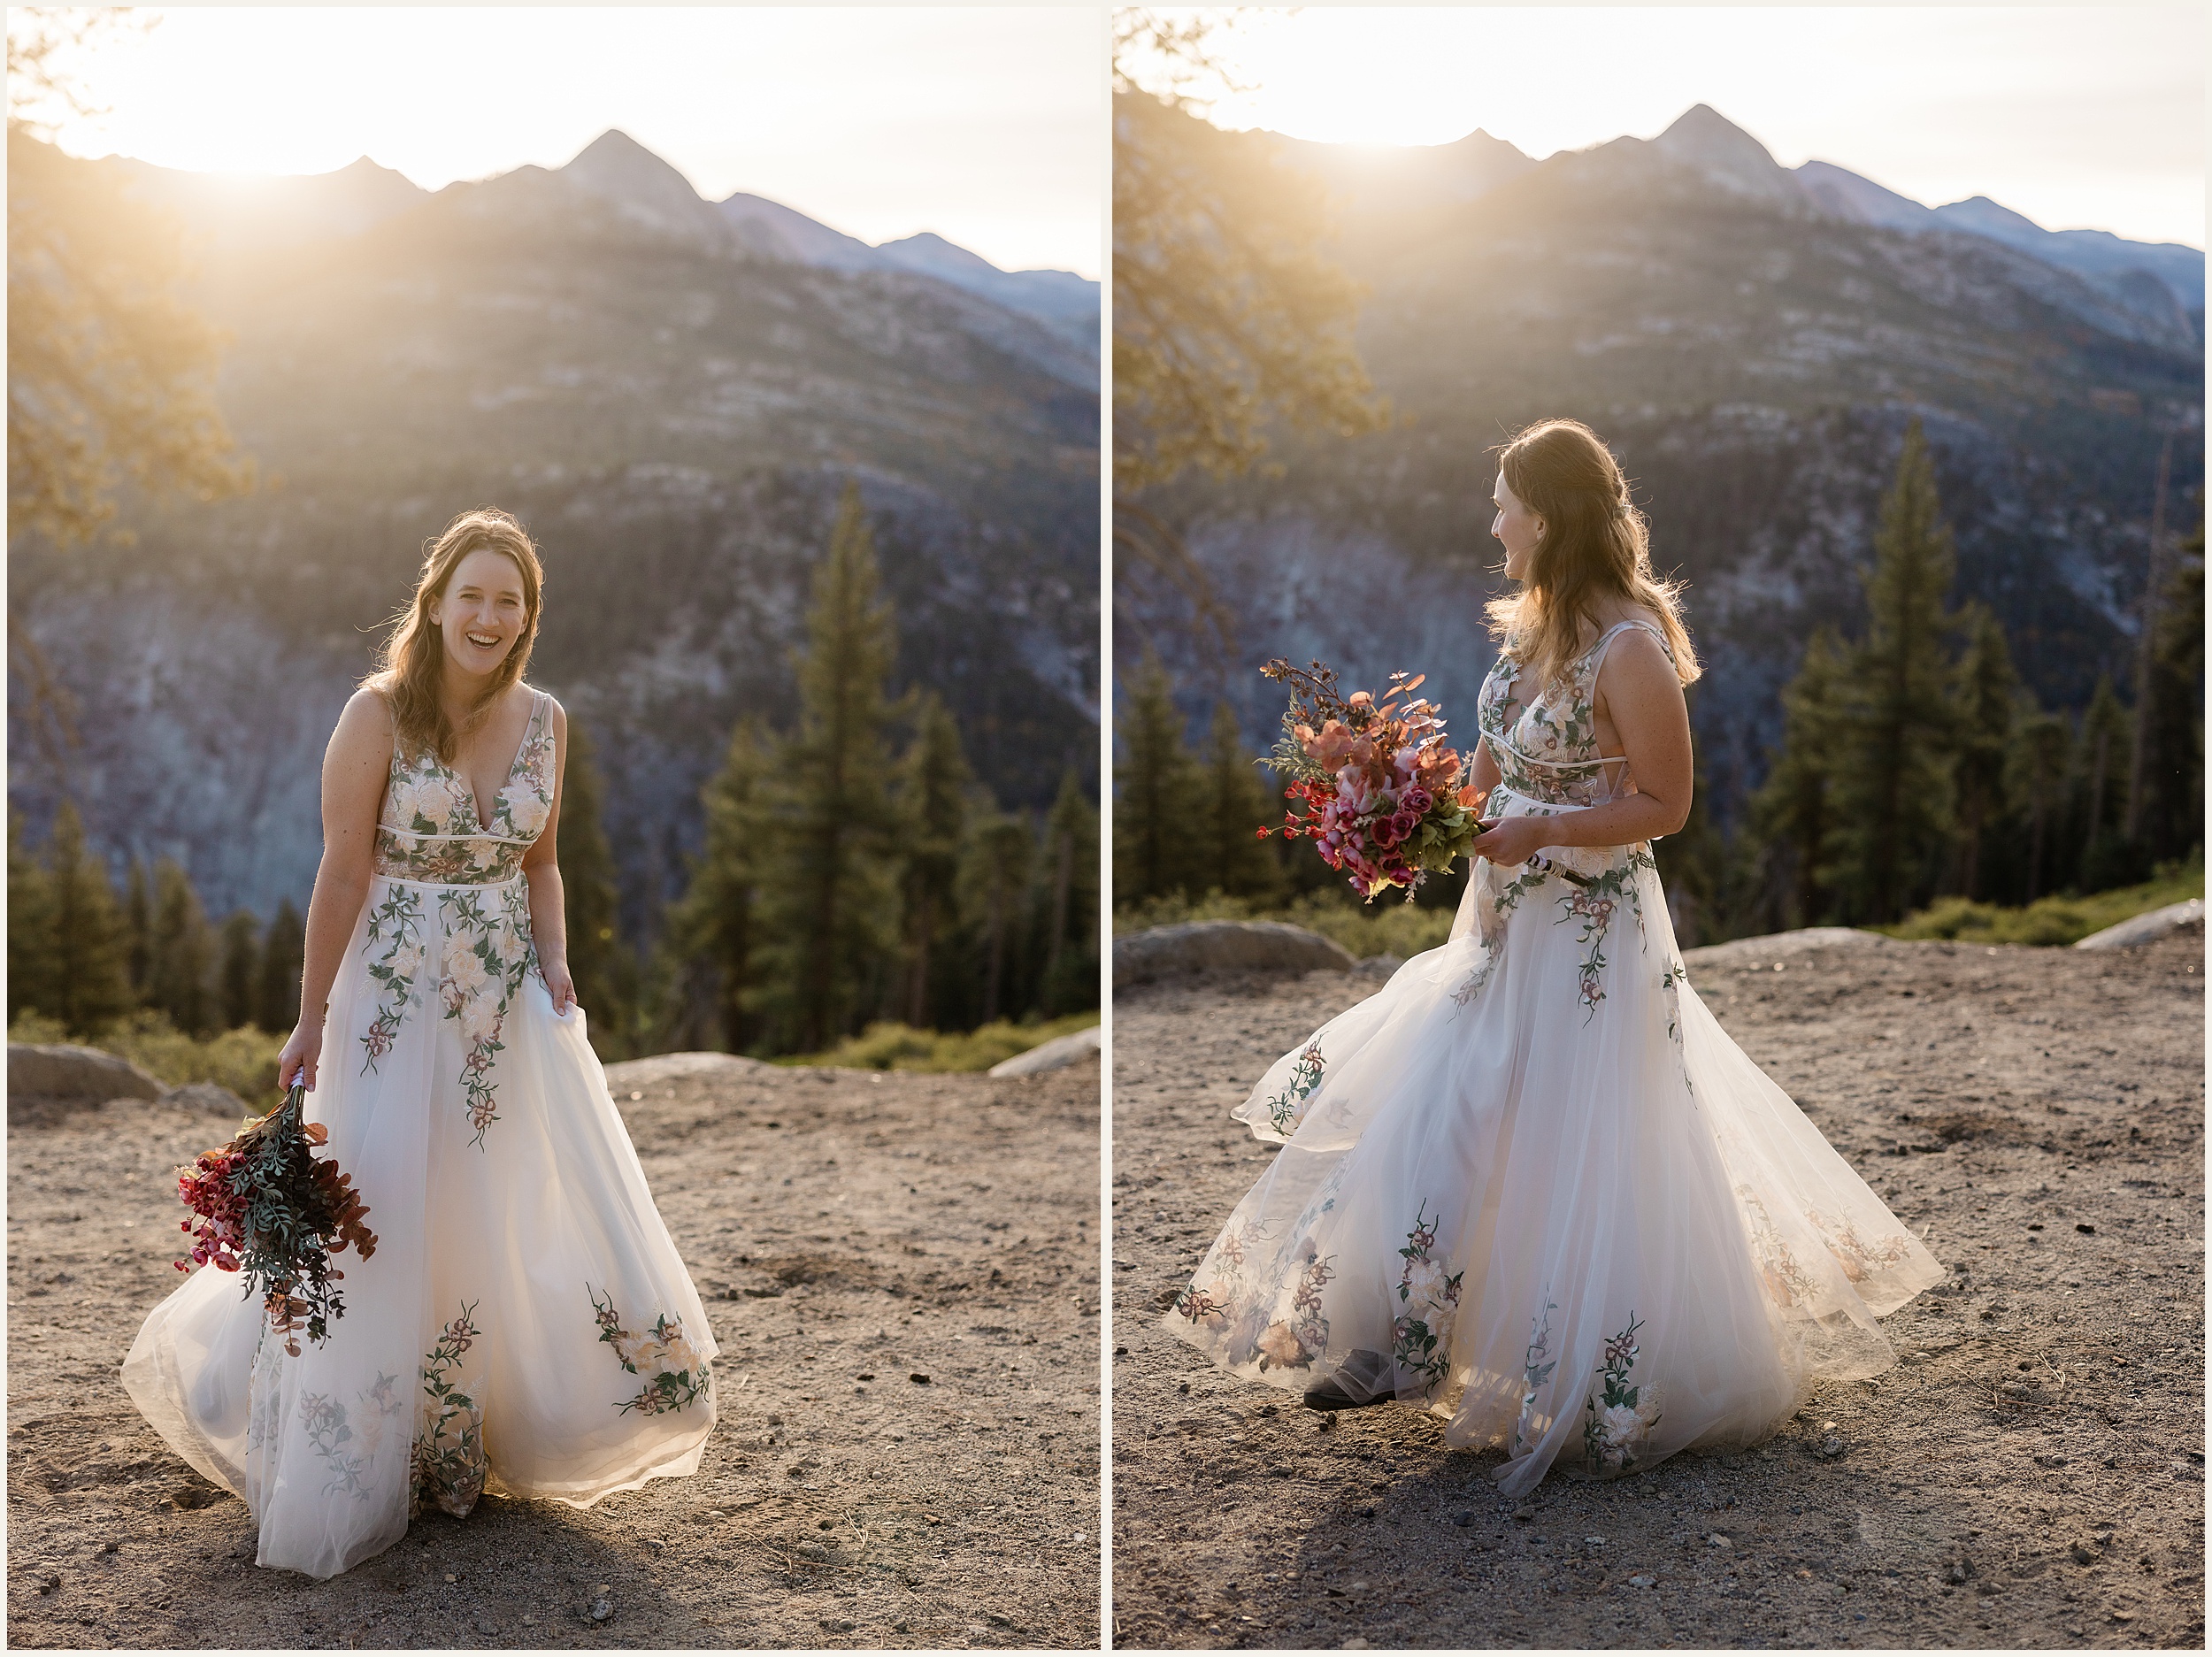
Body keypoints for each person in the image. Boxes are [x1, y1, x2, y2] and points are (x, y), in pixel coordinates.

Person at [1167, 418, 1940, 1494]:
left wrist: (1543, 832)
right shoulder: (1525, 632)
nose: (1491, 524)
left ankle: (1572, 1371)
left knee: (1570, 1140)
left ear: (1549, 514)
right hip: (1497, 925)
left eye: (1503, 505)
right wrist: (1404, 807)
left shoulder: (1629, 646)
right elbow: (1485, 778)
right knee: (1450, 1102)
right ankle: (1391, 1339)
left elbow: (1662, 803)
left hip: (1589, 938)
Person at [125, 510, 718, 1577]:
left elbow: (541, 863)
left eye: (512, 602)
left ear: (527, 620)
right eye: (474, 595)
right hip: (394, 992)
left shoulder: (547, 721)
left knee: (496, 1197)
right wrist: (309, 1016)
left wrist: (555, 961)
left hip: (500, 1001)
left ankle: (460, 1435)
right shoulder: (376, 716)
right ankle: (350, 1441)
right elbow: (342, 873)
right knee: (384, 1201)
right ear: (436, 599)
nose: (490, 617)